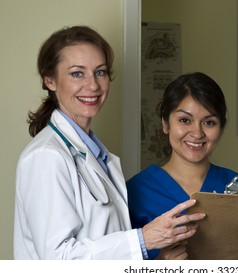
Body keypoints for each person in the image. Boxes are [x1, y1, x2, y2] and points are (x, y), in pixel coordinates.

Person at [14, 26, 205, 260]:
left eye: (100, 72)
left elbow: (110, 248)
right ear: (50, 79)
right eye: (77, 73)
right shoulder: (46, 156)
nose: (93, 85)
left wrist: (156, 263)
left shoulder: (97, 155)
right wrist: (143, 240)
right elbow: (57, 261)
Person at [127, 72, 238, 260]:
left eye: (209, 122)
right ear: (165, 123)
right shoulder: (134, 193)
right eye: (184, 120)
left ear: (220, 128)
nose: (197, 133)